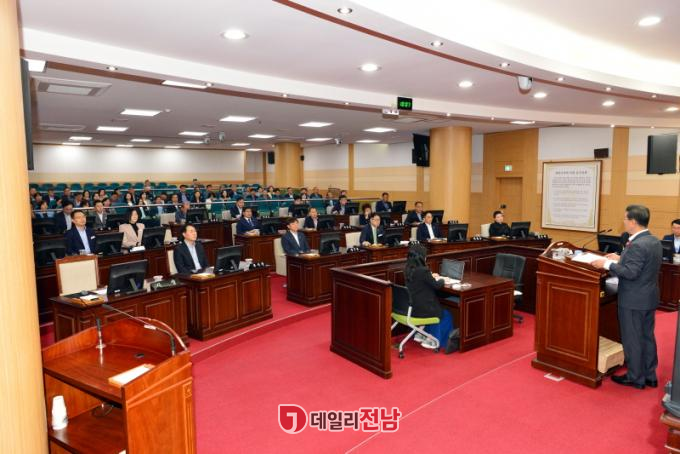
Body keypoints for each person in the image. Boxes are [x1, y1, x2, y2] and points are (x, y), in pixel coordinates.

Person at [592, 205, 662, 390]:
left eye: (625, 219)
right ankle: (650, 375)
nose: (623, 222)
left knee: (632, 339)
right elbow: (642, 264)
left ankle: (635, 377)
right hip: (648, 297)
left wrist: (606, 263)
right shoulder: (653, 240)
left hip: (633, 300)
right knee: (646, 337)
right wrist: (620, 258)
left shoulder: (637, 244)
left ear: (633, 222)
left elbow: (631, 273)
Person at [404, 244, 455, 350]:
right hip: (424, 309)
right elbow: (436, 285)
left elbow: (421, 281)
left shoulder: (407, 269)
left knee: (436, 307)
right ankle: (433, 339)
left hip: (412, 307)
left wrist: (430, 276)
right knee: (446, 315)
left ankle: (420, 333)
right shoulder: (423, 270)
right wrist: (442, 279)